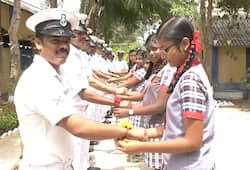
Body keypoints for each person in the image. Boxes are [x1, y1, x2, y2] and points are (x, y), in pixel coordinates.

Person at [13, 8, 130, 170]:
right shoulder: (39, 79)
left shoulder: (58, 73)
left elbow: (30, 125)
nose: (63, 46)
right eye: (55, 41)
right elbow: (78, 127)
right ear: (38, 43)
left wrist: (23, 156)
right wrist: (126, 132)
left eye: (66, 41)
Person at [116, 16, 216, 170]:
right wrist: (145, 133)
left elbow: (192, 141)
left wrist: (141, 147)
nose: (162, 54)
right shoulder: (184, 74)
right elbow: (180, 127)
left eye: (166, 49)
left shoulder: (190, 80)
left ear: (184, 44)